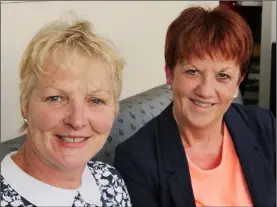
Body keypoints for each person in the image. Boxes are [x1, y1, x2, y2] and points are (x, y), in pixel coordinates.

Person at [114, 5, 276, 207]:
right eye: (193, 72)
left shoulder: (264, 126)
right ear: (170, 74)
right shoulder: (136, 159)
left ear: (238, 82)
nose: (206, 90)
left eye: (223, 76)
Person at [1, 16, 132, 207]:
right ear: (25, 104)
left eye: (96, 100)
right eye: (56, 98)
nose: (77, 121)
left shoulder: (110, 180)